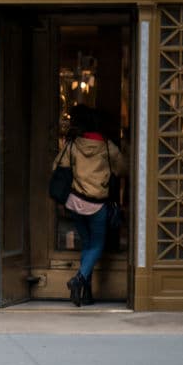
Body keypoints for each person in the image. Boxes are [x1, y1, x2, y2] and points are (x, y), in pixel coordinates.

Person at [56, 105, 125, 307]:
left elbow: (56, 166)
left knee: (87, 245)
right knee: (96, 245)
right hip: (97, 204)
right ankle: (79, 279)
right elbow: (122, 169)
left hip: (76, 202)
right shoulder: (106, 146)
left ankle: (84, 294)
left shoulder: (72, 145)